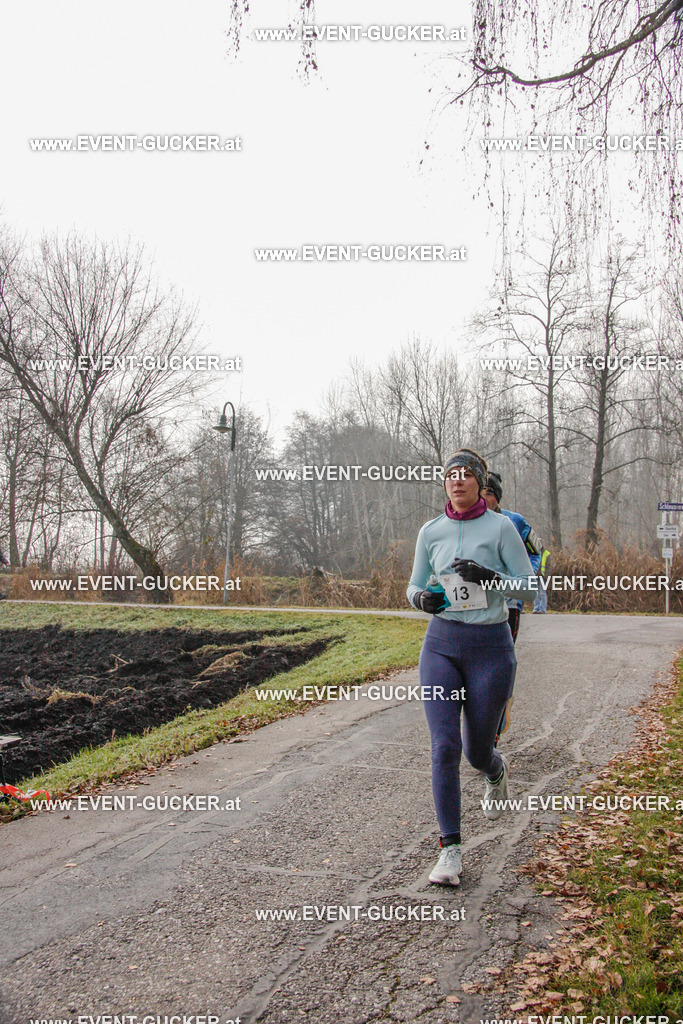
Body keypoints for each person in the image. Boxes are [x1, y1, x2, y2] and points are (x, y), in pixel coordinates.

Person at [407, 448, 536, 886]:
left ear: (481, 483)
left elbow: (532, 590)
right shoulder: (431, 530)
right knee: (444, 746)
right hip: (441, 646)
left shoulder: (502, 528)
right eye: (450, 475)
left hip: (490, 649)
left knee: (475, 750)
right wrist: (420, 599)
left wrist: (491, 578)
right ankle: (451, 850)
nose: (457, 481)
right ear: (444, 483)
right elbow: (414, 584)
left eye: (466, 475)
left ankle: (495, 770)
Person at [483, 472, 548, 740]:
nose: (482, 497)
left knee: (499, 665)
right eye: (480, 491)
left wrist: (526, 576)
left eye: (488, 492)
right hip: (474, 608)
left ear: (497, 497)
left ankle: (492, 733)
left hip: (509, 605)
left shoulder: (515, 521)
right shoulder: (465, 522)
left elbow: (538, 550)